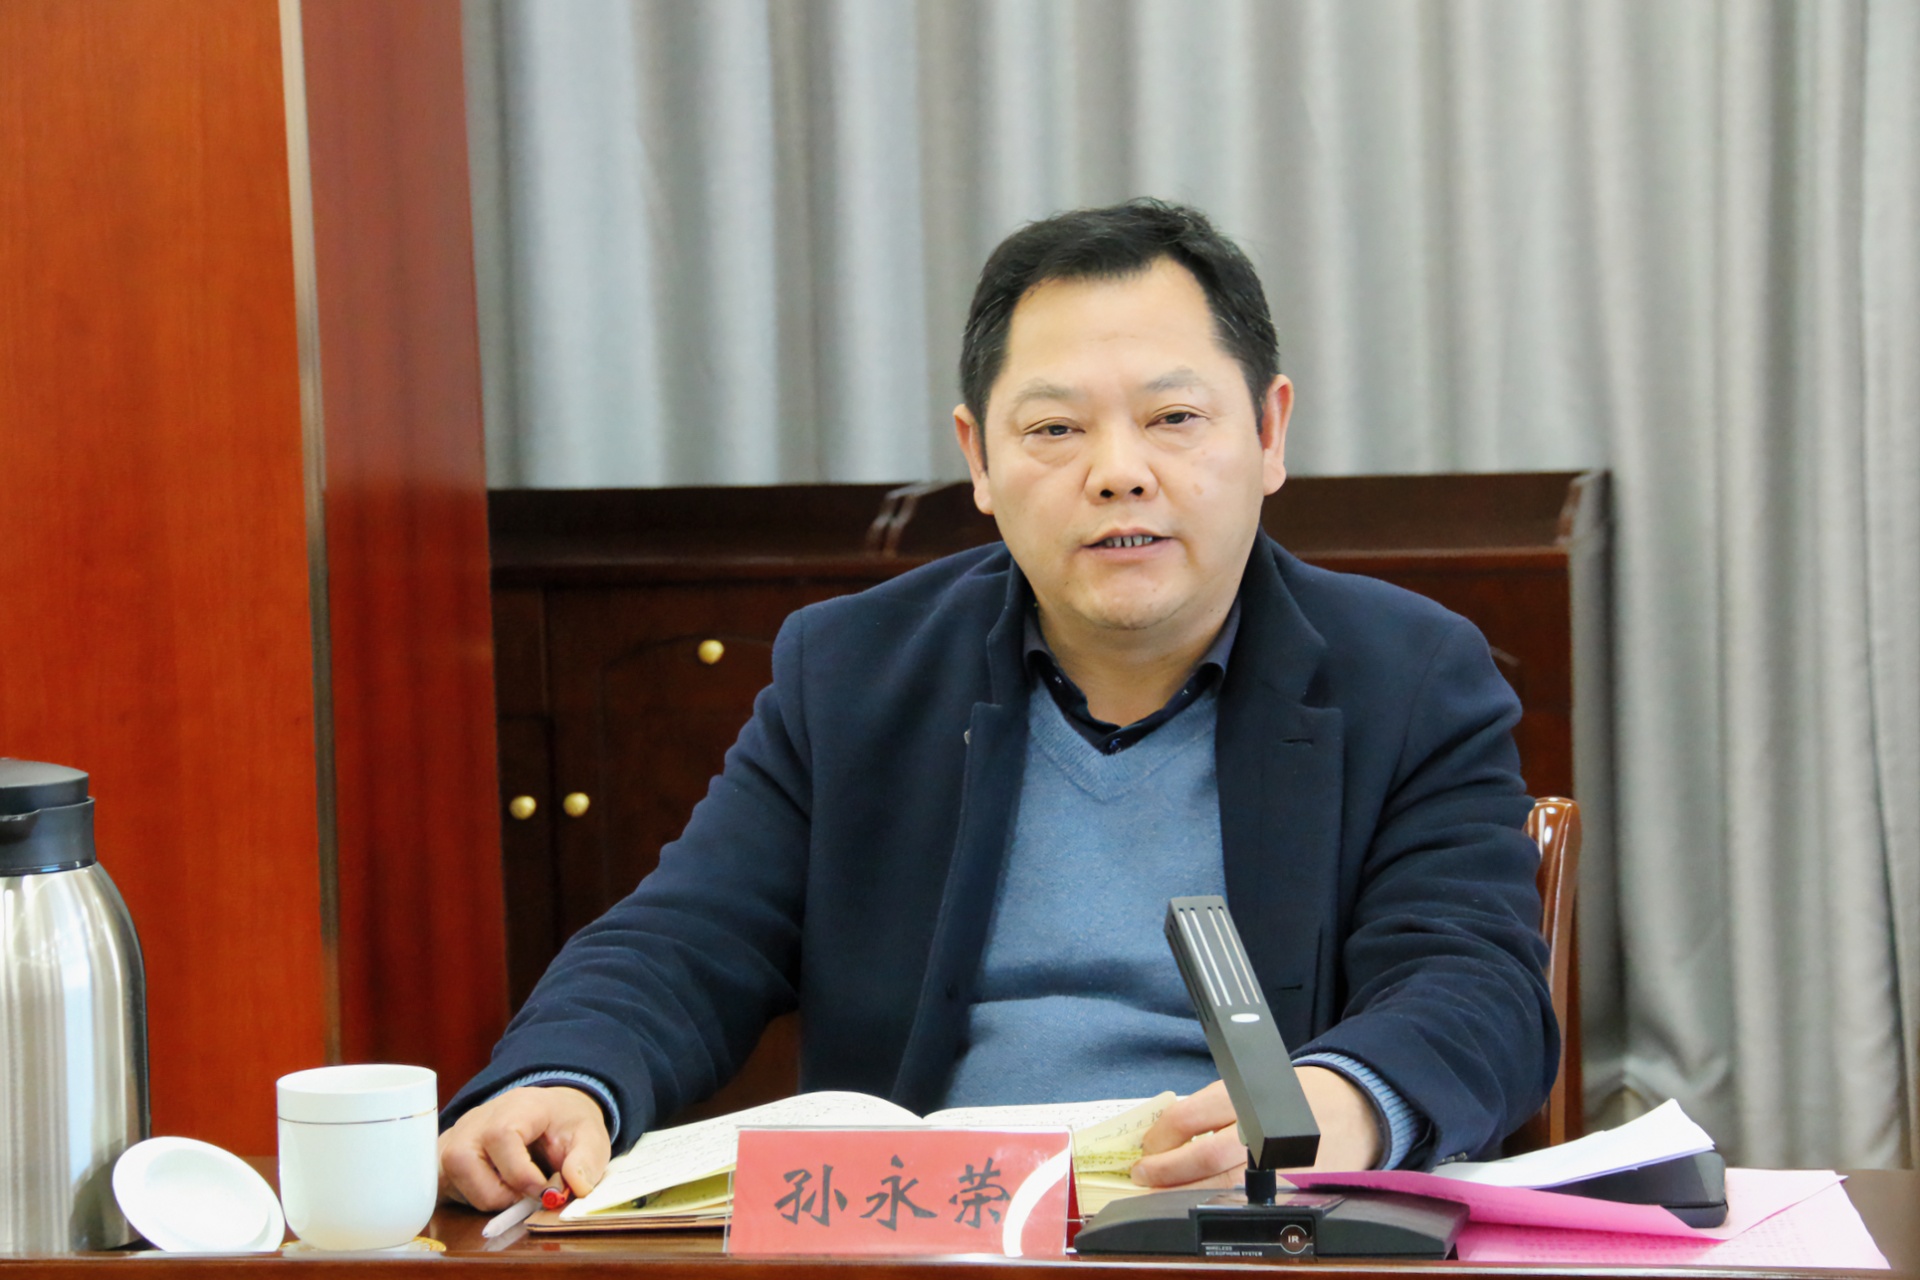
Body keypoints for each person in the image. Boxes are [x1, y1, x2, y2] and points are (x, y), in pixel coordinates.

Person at [437, 200, 1557, 1211]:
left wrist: (1342, 1101)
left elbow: (1474, 982)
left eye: (1174, 417)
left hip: (1235, 1234)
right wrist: (561, 1078)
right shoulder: (856, 672)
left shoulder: (1408, 675)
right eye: (1055, 429)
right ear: (977, 456)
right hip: (931, 1233)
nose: (1118, 472)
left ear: (1270, 432)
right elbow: (687, 938)